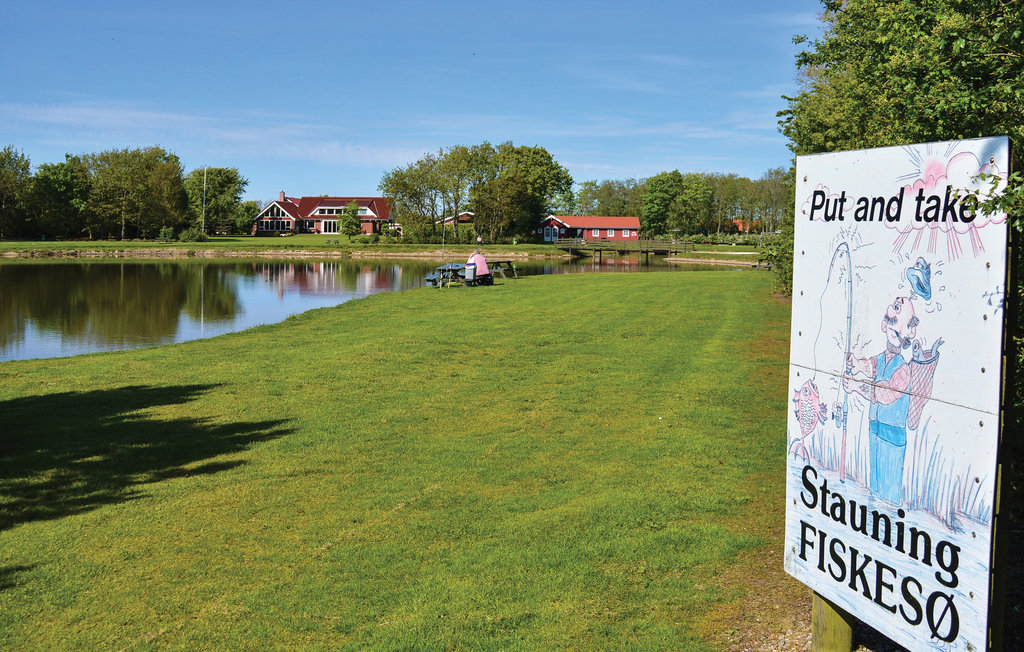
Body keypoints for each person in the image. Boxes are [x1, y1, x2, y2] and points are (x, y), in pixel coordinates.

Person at [843, 296, 919, 504]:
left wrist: (857, 387)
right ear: (885, 326)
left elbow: (885, 395)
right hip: (875, 427)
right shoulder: (882, 359)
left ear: (907, 335)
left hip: (892, 435)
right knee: (875, 487)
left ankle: (888, 518)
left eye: (898, 332)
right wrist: (857, 364)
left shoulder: (903, 369)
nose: (894, 335)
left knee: (888, 492)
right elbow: (870, 366)